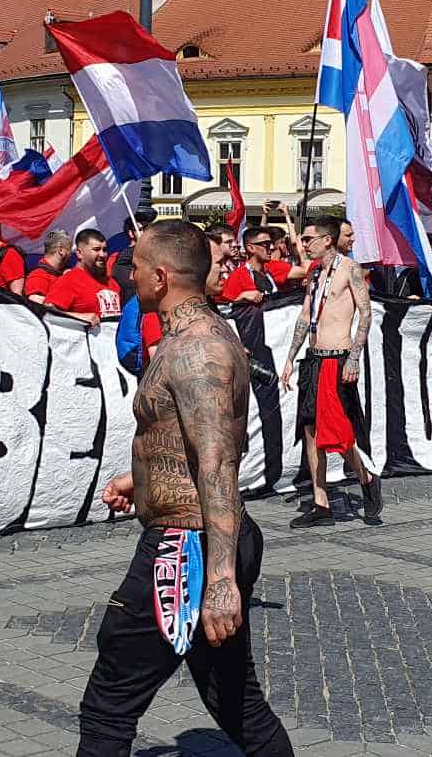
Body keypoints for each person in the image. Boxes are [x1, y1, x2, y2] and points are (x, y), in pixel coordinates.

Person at [75, 220, 291, 757]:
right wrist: (139, 478)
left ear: (163, 275)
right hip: (193, 537)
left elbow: (216, 465)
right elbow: (183, 438)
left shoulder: (197, 351)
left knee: (108, 705)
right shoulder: (190, 339)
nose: (131, 276)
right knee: (236, 702)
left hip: (187, 545)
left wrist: (219, 580)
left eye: (139, 267)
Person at [279, 218, 383, 528]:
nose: (304, 244)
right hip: (314, 358)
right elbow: (304, 317)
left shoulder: (349, 268)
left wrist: (354, 358)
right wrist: (290, 357)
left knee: (336, 432)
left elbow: (366, 314)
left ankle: (365, 476)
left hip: (337, 359)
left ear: (327, 240)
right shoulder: (313, 274)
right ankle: (321, 503)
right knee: (310, 430)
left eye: (309, 238)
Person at [45, 229, 122, 324]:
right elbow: (48, 313)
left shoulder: (113, 284)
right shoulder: (69, 280)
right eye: (96, 249)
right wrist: (79, 317)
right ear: (79, 253)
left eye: (104, 250)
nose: (102, 254)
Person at [25, 233, 72, 304]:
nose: (71, 254)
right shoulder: (39, 276)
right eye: (69, 249)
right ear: (61, 250)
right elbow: (36, 304)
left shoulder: (62, 273)